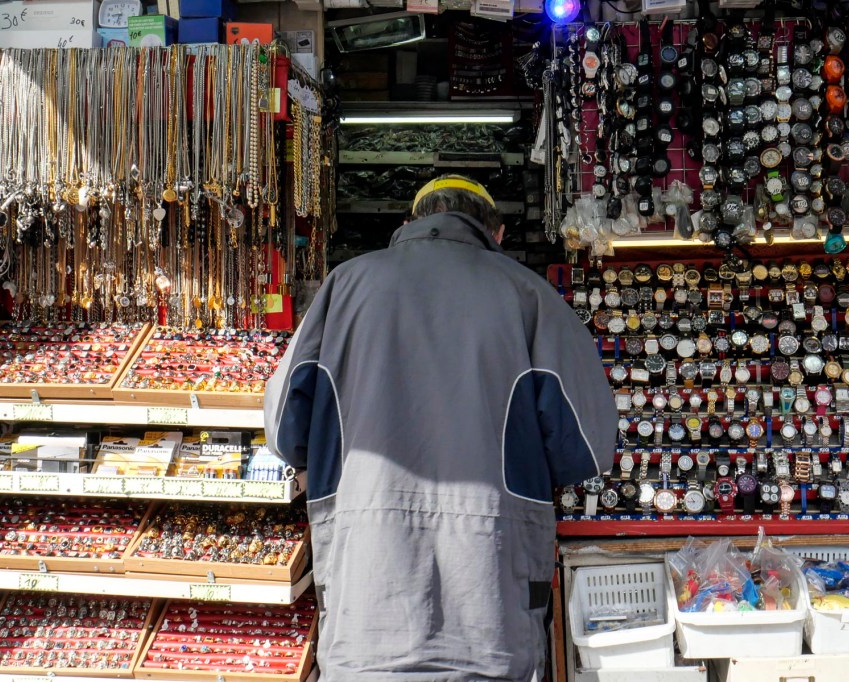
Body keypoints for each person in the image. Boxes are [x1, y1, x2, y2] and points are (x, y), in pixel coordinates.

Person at [264, 174, 616, 681]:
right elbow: (584, 447)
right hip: (490, 607)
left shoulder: (343, 287)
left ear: (410, 223)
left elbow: (284, 431)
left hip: (367, 607)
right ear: (497, 234)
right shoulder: (531, 296)